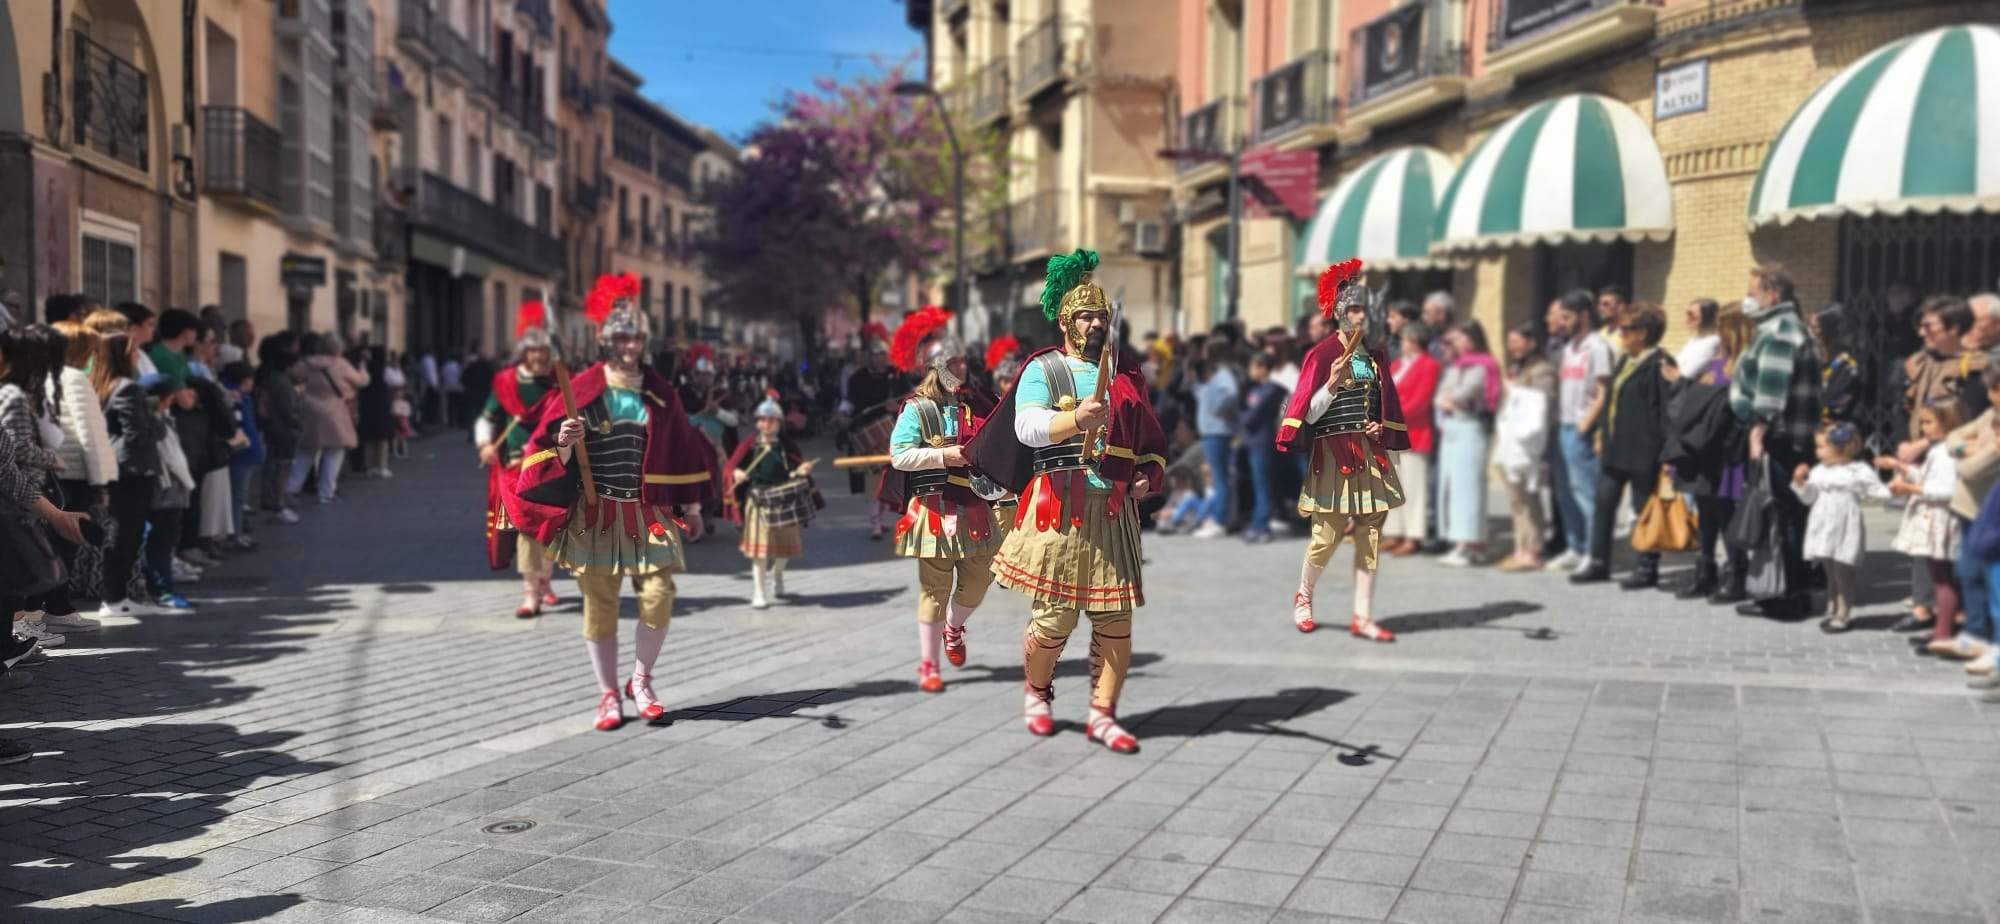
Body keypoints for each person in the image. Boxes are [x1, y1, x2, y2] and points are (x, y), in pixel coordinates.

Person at [966, 248, 1166, 754]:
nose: (1097, 322)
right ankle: (1036, 691)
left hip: (1113, 511)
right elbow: (1027, 426)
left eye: (1102, 314)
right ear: (1065, 321)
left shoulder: (1126, 372)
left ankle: (1102, 714)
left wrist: (1147, 475)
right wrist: (1076, 420)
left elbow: (1150, 441)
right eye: (1086, 314)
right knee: (1055, 619)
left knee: (1115, 621)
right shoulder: (1044, 368)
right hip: (1060, 505)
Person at [509, 273, 716, 731]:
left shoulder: (662, 392)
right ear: (606, 339)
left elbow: (683, 449)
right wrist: (564, 443)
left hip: (649, 513)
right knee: (599, 605)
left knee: (659, 597)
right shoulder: (579, 387)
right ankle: (607, 695)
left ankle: (641, 680)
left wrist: (695, 508)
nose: (628, 343)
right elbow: (540, 451)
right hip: (596, 513)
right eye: (620, 335)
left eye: (635, 336)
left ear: (644, 341)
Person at [1277, 259, 1409, 641]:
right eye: (1353, 308)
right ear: (1338, 312)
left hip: (1370, 454)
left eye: (1365, 309)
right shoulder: (1320, 355)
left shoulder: (1375, 354)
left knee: (1370, 536)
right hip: (1333, 455)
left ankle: (1362, 616)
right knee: (1326, 535)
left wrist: (1381, 426)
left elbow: (1385, 405)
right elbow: (1306, 412)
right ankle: (1304, 594)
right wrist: (1331, 383)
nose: (1360, 315)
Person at [880, 306, 1005, 692]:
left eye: (963, 359)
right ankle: (928, 665)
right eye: (954, 360)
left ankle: (954, 627)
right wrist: (943, 455)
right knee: (933, 589)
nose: (963, 366)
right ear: (935, 366)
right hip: (933, 508)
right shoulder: (916, 409)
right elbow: (899, 455)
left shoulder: (980, 401)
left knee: (979, 582)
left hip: (976, 508)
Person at [1731, 262, 1821, 619]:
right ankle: (1786, 591)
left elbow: (1770, 391)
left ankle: (1787, 598)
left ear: (1773, 294)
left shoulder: (1781, 330)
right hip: (1790, 436)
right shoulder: (1786, 327)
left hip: (1781, 438)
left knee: (1783, 516)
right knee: (1788, 515)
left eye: (1753, 293)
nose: (1749, 300)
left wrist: (1757, 431)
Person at [1574, 303, 1674, 588]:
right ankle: (1598, 562)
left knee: (1643, 509)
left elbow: (1668, 411)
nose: (1620, 333)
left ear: (1643, 332)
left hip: (1645, 450)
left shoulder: (1660, 363)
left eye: (1626, 329)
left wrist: (1666, 453)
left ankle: (1647, 567)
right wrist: (1601, 436)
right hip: (1615, 449)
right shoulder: (1623, 360)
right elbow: (1611, 403)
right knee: (1603, 503)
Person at [476, 302, 561, 618]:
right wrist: (485, 443)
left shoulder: (559, 381)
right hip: (515, 469)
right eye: (534, 351)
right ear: (525, 353)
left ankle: (544, 582)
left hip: (553, 465)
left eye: (544, 351)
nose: (540, 357)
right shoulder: (507, 382)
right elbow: (487, 417)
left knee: (549, 530)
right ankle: (531, 594)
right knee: (526, 530)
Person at [1887, 402, 1966, 653]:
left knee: (1944, 580)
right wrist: (1904, 470)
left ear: (1948, 422)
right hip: (1933, 517)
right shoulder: (1938, 450)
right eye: (1921, 422)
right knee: (1939, 578)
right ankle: (1942, 627)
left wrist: (1909, 489)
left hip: (1941, 519)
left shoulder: (1947, 453)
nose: (1923, 428)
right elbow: (1927, 478)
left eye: (1929, 422)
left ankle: (1943, 632)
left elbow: (1945, 490)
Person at [1795, 423, 1888, 633]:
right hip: (1823, 523)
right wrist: (1800, 481)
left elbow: (1877, 491)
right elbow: (1808, 498)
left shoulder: (1857, 470)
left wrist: (1897, 485)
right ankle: (1832, 605)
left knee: (1843, 570)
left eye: (1821, 447)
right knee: (1829, 569)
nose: (1816, 451)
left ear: (1840, 448)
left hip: (1845, 523)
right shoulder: (1819, 471)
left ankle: (1843, 612)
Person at [728, 393, 813, 609]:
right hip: (759, 499)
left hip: (785, 500)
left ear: (779, 423)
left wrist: (801, 470)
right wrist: (737, 473)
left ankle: (778, 575)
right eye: (762, 420)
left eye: (771, 420)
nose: (766, 424)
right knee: (760, 551)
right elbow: (731, 467)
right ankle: (759, 592)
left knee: (785, 552)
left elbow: (795, 468)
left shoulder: (786, 445)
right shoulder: (750, 443)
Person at [1549, 290, 1613, 575]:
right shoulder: (1569, 348)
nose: (1561, 322)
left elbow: (1604, 391)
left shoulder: (1597, 347)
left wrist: (1587, 424)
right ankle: (1574, 547)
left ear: (1583, 315)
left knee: (1586, 492)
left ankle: (1593, 552)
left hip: (1580, 427)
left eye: (1567, 316)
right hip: (1561, 425)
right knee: (1565, 492)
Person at [1494, 322, 1554, 572]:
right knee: (1516, 498)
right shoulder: (1517, 368)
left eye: (1517, 341)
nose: (1512, 347)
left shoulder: (1543, 370)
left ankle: (1533, 548)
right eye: (1510, 342)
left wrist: (1513, 390)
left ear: (1532, 342)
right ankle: (1520, 547)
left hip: (1528, 443)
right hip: (1511, 440)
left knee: (1529, 497)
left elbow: (1542, 403)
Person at [290, 332, 368, 505]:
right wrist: (363, 366)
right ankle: (326, 493)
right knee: (334, 452)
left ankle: (290, 489)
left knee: (305, 452)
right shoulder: (341, 364)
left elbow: (293, 375)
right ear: (338, 348)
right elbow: (361, 381)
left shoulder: (306, 362)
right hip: (334, 413)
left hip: (309, 410)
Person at [1382, 323, 1438, 556]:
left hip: (1413, 432)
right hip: (1391, 432)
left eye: (1405, 340)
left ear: (1415, 341)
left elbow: (1420, 401)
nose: (1402, 344)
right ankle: (1394, 531)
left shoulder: (1429, 365)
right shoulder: (1396, 365)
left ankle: (1413, 535)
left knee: (1413, 488)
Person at [1189, 340, 1239, 539]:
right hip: (1213, 433)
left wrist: (1218, 410)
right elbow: (1205, 397)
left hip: (1217, 433)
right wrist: (1194, 384)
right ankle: (1219, 517)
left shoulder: (1223, 375)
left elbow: (1231, 395)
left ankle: (1219, 520)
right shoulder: (1216, 377)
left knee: (1219, 479)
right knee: (1220, 478)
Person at [1240, 353, 1288, 544]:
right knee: (1258, 483)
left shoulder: (1271, 390)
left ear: (1262, 368)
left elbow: (1252, 416)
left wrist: (1241, 416)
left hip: (1263, 441)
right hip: (1253, 442)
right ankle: (1258, 521)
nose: (1250, 371)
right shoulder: (1257, 389)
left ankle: (1263, 525)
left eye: (1253, 366)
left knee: (1262, 485)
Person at [255, 334, 302, 524]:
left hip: (272, 428)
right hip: (283, 431)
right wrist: (298, 423)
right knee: (282, 468)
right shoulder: (283, 383)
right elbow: (289, 410)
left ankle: (273, 502)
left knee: (273, 467)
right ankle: (278, 505)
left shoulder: (267, 376)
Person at [1814, 303, 1864, 424]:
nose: (1812, 334)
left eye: (1816, 328)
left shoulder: (1848, 366)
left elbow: (1835, 406)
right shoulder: (1820, 362)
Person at [1676, 299, 1722, 375]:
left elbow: (1687, 373)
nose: (1687, 318)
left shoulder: (1714, 341)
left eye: (1691, 314)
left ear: (1707, 315)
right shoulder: (1693, 340)